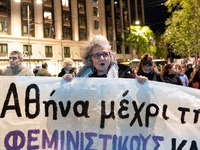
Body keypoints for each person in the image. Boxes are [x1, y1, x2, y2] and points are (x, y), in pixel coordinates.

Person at [63, 34, 147, 84]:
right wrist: (68, 81)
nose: (102, 58)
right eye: (97, 55)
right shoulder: (81, 77)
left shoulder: (123, 73)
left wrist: (139, 82)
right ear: (91, 59)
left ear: (110, 56)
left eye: (105, 54)